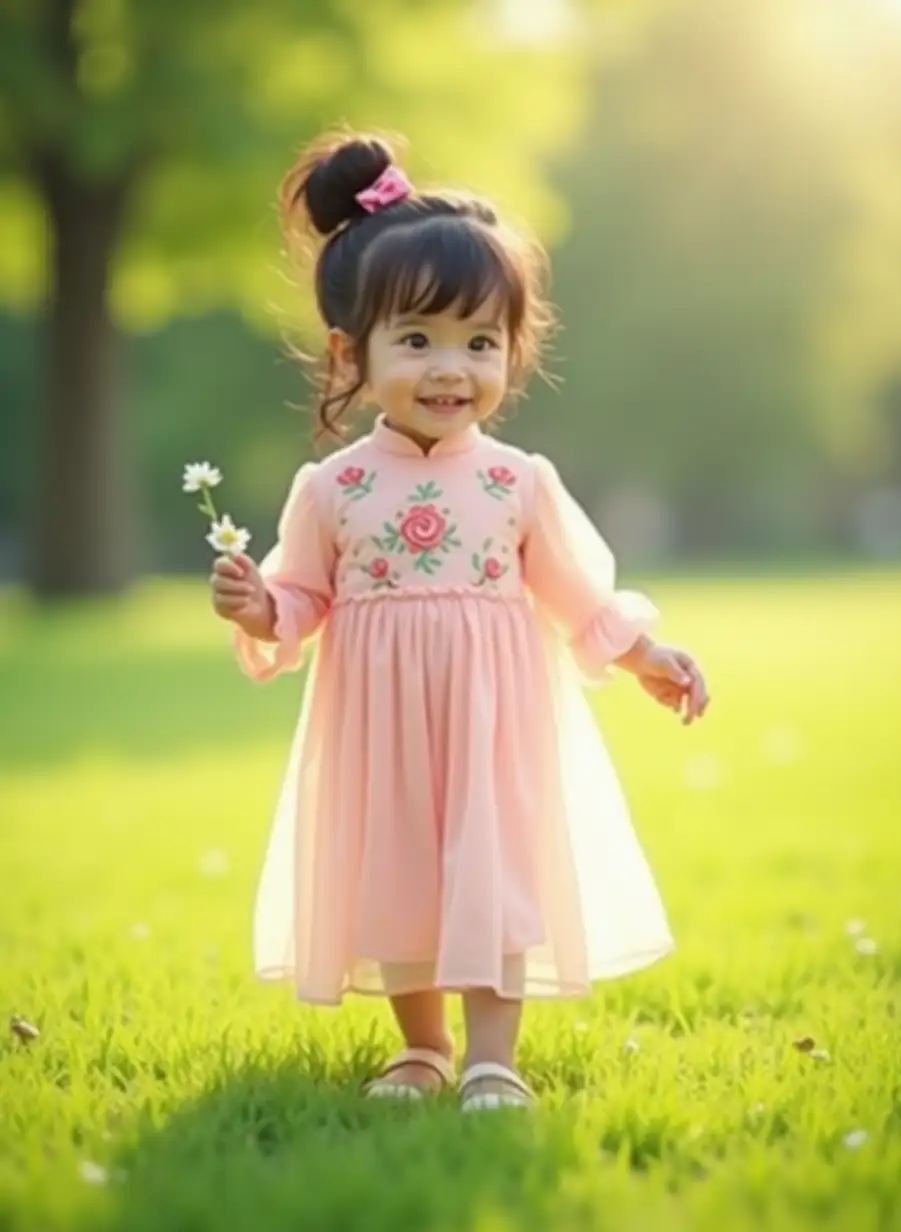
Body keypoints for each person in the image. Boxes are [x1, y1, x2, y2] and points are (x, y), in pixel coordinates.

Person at [209, 130, 709, 1112]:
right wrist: (262, 604)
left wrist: (645, 651)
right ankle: (422, 1043)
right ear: (353, 351)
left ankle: (492, 1052)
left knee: (491, 865)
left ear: (512, 350)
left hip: (492, 717)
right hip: (379, 718)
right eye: (419, 339)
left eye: (480, 341)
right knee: (396, 869)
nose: (453, 368)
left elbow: (574, 591)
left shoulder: (518, 481)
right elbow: (304, 597)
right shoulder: (334, 487)